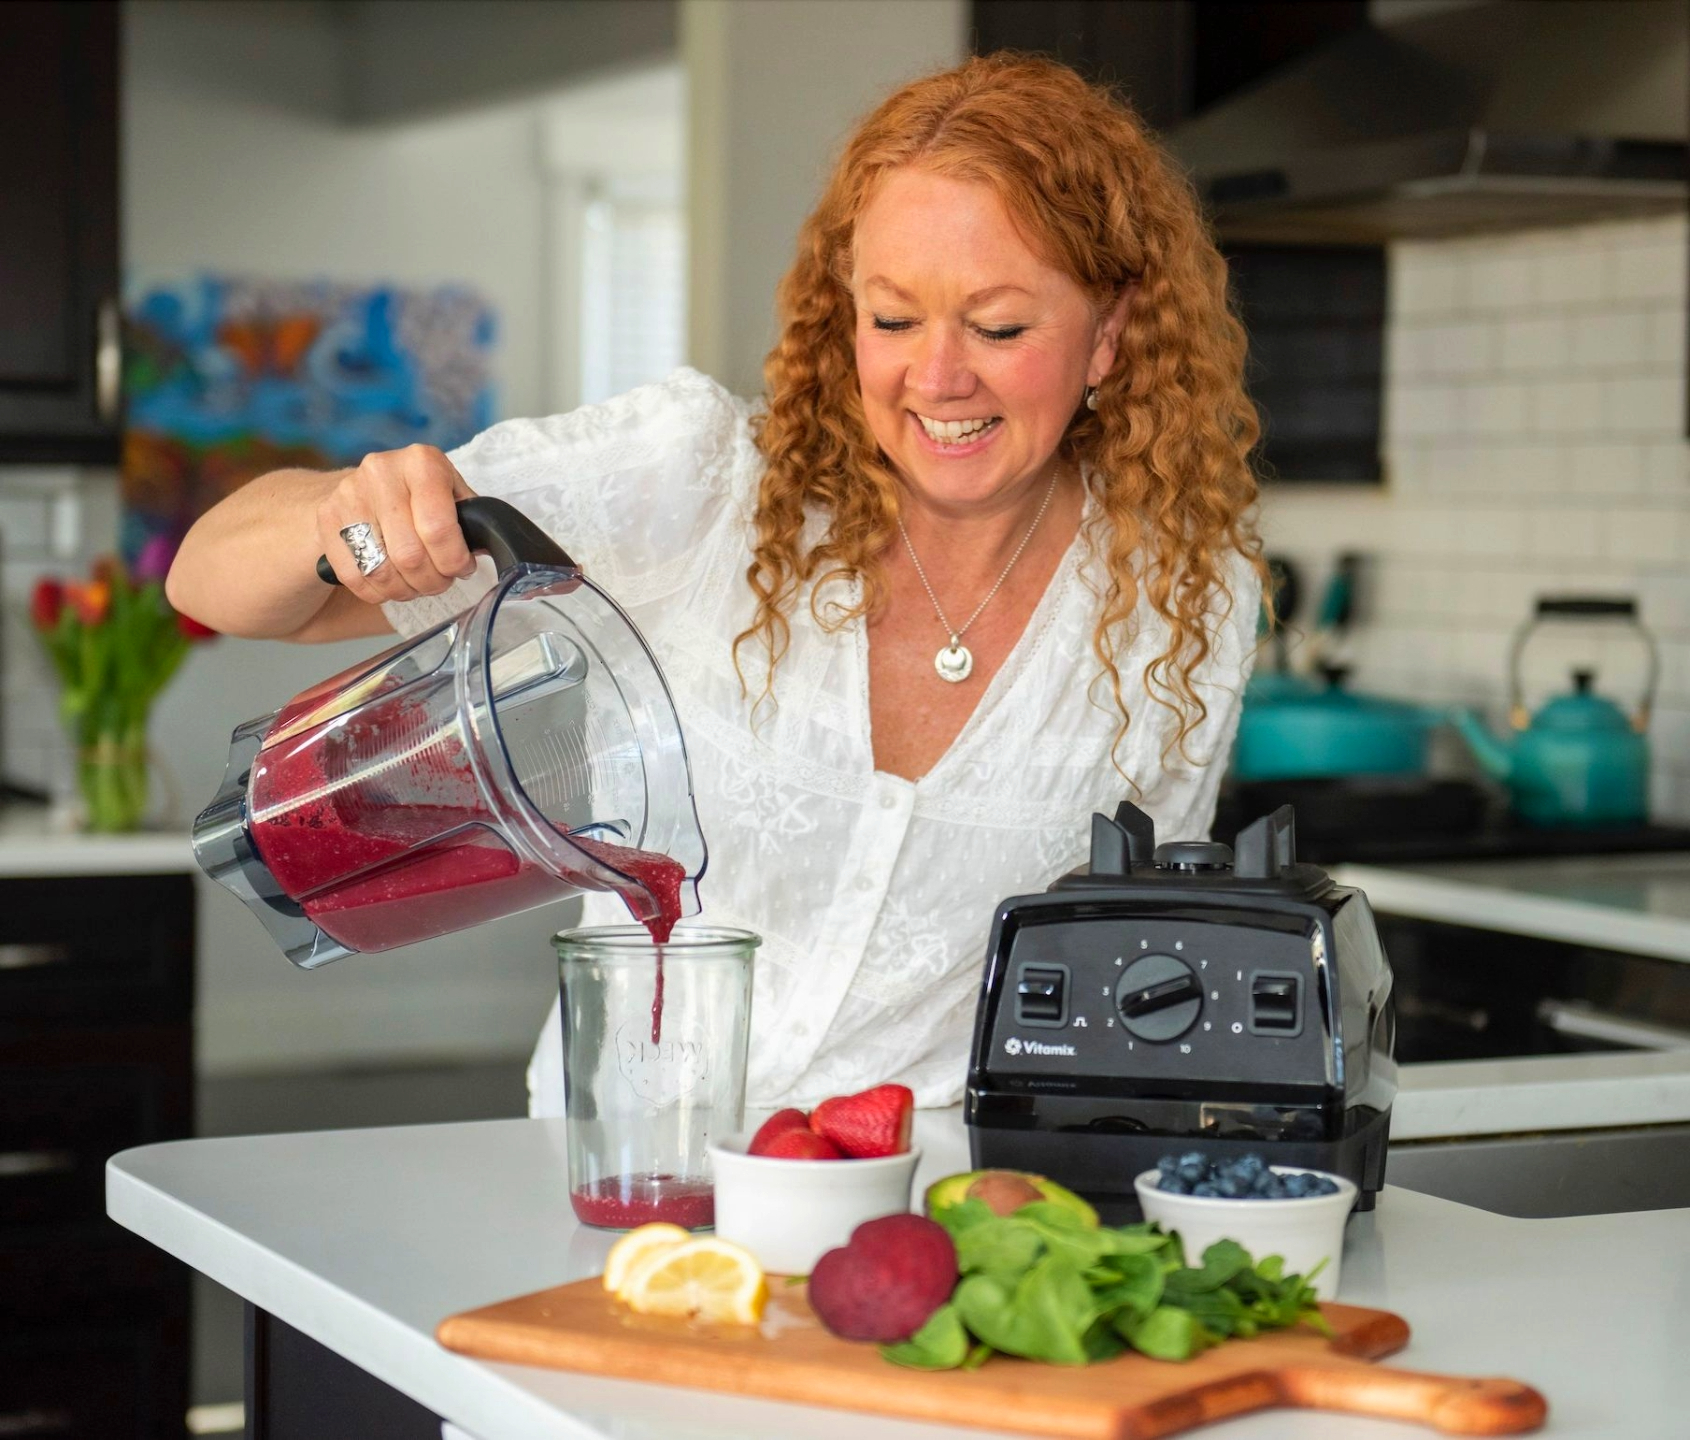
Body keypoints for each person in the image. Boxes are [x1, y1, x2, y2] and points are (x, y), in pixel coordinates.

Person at [168, 55, 1265, 1114]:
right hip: (622, 1176)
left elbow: (1127, 968)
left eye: (998, 326)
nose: (935, 377)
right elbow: (215, 579)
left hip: (933, 1210)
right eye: (891, 318)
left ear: (1109, 335)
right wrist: (341, 514)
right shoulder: (696, 482)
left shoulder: (1184, 601)